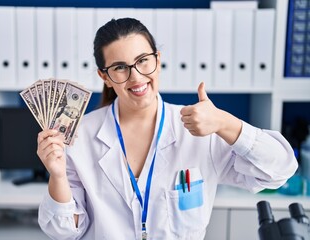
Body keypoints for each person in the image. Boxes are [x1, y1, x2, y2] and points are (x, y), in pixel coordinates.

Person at [36, 18, 298, 240]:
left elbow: (280, 170)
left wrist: (225, 123)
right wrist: (57, 175)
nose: (136, 76)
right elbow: (64, 231)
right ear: (104, 77)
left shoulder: (200, 129)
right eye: (120, 68)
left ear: (157, 59)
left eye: (143, 61)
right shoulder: (79, 136)